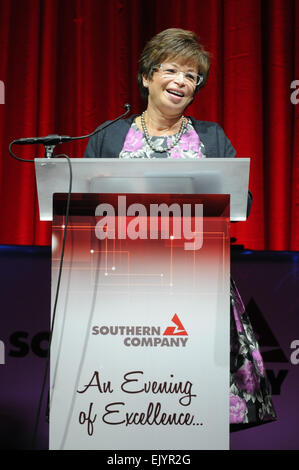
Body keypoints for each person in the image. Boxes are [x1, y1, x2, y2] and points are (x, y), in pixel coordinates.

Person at [84, 28, 276, 429]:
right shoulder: (108, 135)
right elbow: (81, 206)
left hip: (196, 283)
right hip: (120, 288)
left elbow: (243, 202)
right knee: (123, 402)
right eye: (172, 70)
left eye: (191, 77)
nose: (182, 82)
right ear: (147, 77)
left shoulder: (211, 137)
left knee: (188, 405)